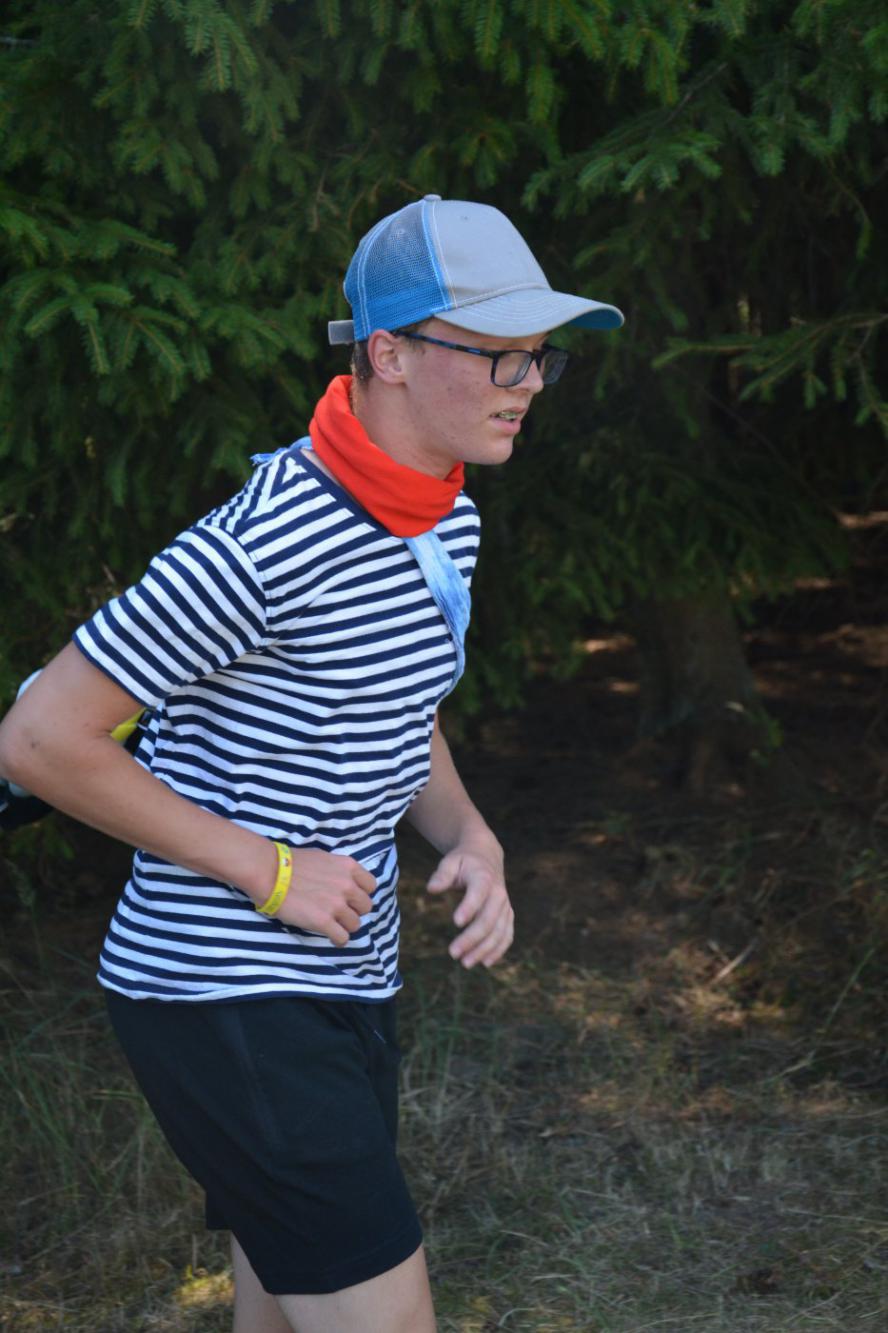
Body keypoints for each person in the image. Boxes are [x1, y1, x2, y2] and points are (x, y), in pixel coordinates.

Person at [0, 194, 622, 1333]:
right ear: (389, 353)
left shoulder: (445, 519)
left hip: (346, 975)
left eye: (540, 357)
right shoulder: (269, 538)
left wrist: (470, 834)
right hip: (222, 990)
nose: (528, 384)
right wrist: (269, 869)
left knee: (282, 1312)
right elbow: (40, 738)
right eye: (498, 354)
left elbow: (395, 710)